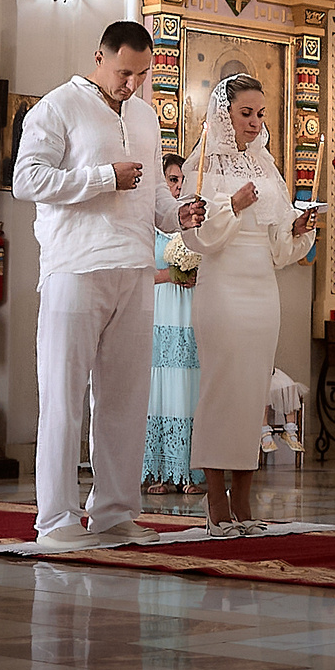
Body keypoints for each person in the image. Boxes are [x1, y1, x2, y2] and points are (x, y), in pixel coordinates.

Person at [11, 19, 205, 548]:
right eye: (124, 72)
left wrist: (183, 212)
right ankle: (55, 522)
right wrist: (102, 177)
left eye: (142, 74)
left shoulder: (144, 116)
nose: (132, 85)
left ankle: (116, 511)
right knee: (63, 398)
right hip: (75, 267)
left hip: (135, 269)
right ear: (99, 55)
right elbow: (26, 180)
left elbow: (155, 205)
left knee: (124, 399)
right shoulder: (55, 107)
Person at [177, 76, 319, 532]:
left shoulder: (267, 166)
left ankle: (244, 500)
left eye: (260, 114)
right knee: (222, 390)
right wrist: (233, 207)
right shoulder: (203, 162)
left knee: (254, 393)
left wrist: (296, 231)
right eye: (246, 114)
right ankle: (215, 498)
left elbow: (278, 246)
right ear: (225, 113)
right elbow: (195, 236)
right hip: (223, 288)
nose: (255, 123)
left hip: (262, 290)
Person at [143, 154, 203, 495]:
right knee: (160, 393)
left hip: (188, 315)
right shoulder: (147, 225)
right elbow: (136, 273)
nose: (177, 185)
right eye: (171, 179)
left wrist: (195, 273)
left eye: (181, 180)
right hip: (159, 313)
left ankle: (192, 473)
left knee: (188, 390)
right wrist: (170, 274)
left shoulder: (194, 226)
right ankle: (162, 472)